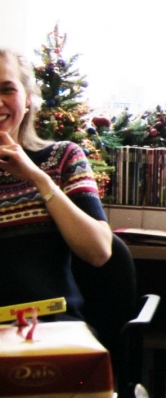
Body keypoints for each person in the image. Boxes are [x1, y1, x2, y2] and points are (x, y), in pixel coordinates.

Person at [0, 48, 112, 318]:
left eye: (7, 89)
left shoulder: (63, 157)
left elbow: (99, 251)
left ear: (28, 97)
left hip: (52, 328)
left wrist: (39, 179)